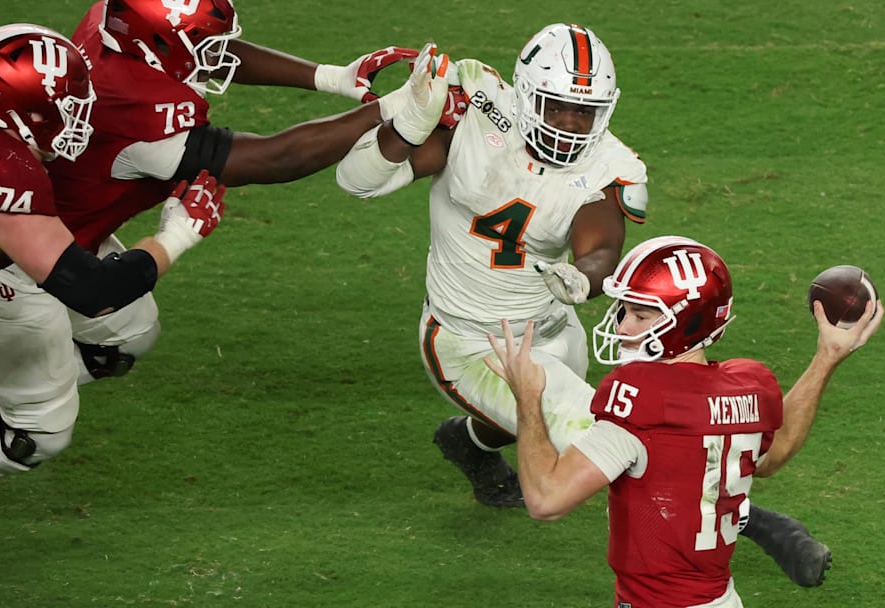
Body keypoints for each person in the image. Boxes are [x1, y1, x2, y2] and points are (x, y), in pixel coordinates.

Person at [336, 24, 834, 587]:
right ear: (525, 93)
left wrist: (585, 276)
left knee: (539, 421)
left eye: (586, 111)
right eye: (558, 106)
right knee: (609, 437)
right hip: (470, 339)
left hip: (553, 327)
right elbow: (356, 180)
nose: (572, 124)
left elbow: (600, 245)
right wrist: (406, 124)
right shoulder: (476, 113)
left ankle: (467, 442)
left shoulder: (611, 163)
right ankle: (764, 526)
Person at [485, 236, 885, 607]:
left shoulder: (640, 396)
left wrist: (528, 399)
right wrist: (826, 358)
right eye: (625, 310)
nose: (624, 327)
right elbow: (773, 455)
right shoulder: (749, 386)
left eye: (641, 315)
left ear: (686, 323)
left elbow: (545, 500)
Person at [39, 0, 424, 382]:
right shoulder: (135, 114)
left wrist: (332, 76)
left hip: (63, 219)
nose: (212, 53)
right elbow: (278, 158)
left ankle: (11, 401)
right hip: (31, 257)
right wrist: (393, 108)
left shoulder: (113, 24)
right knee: (39, 426)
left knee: (128, 336)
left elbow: (198, 52)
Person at [0, 24, 225, 481]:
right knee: (34, 435)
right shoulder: (2, 179)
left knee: (125, 334)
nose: (75, 120)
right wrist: (178, 235)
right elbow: (92, 290)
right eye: (64, 108)